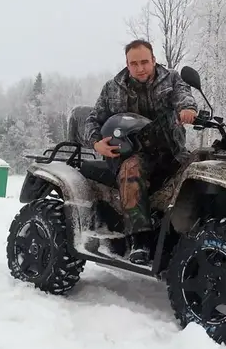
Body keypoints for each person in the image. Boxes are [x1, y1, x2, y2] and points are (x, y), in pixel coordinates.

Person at [83, 39, 198, 264]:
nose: (140, 68)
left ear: (154, 60)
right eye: (133, 63)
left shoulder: (171, 79)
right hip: (129, 154)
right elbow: (93, 119)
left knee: (200, 167)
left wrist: (187, 109)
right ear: (127, 64)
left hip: (169, 152)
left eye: (145, 62)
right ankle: (140, 240)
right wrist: (96, 143)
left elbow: (184, 96)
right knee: (131, 169)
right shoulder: (113, 88)